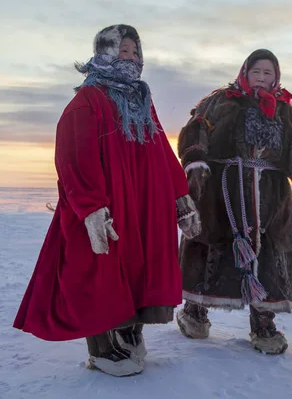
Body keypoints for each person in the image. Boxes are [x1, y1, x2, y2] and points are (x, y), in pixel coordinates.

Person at [13, 24, 201, 376]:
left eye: (134, 52)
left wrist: (180, 197)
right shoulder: (88, 100)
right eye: (122, 52)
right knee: (98, 271)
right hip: (107, 206)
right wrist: (91, 208)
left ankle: (128, 333)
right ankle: (101, 349)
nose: (130, 59)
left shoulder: (142, 102)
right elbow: (74, 156)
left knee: (139, 267)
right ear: (104, 54)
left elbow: (161, 149)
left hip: (144, 204)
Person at [176, 49, 292, 355]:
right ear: (245, 72)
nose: (262, 77)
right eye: (257, 71)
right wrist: (196, 162)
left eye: (268, 73)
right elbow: (195, 128)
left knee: (268, 256)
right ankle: (194, 311)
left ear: (276, 77)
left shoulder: (285, 112)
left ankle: (263, 323)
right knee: (210, 247)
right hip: (222, 191)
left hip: (270, 197)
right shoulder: (220, 100)